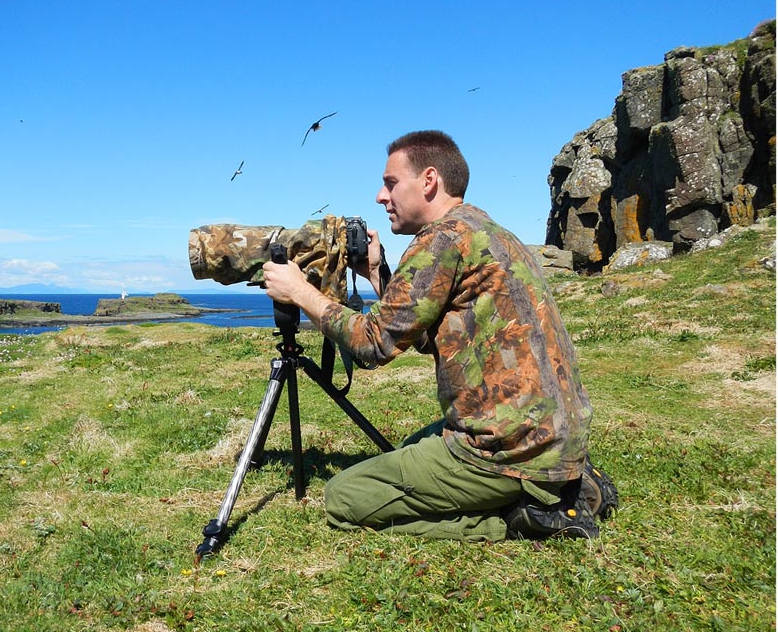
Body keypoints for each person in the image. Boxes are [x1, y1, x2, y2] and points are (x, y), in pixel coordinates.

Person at [262, 129, 616, 541]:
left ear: (429, 181)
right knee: (403, 455)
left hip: (508, 448)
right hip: (550, 435)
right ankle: (569, 484)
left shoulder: (440, 239)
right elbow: (438, 336)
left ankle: (526, 517)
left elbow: (373, 345)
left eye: (391, 182)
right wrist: (379, 275)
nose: (380, 196)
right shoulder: (487, 231)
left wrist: (299, 292)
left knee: (344, 497)